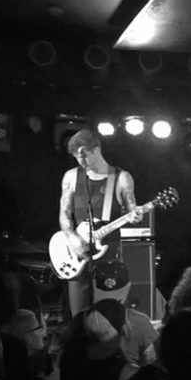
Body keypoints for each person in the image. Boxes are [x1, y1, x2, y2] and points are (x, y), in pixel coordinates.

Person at [59, 129, 141, 317]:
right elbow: (64, 214)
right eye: (77, 158)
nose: (81, 162)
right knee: (79, 316)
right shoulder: (71, 177)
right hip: (79, 257)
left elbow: (132, 211)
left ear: (96, 149)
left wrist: (135, 217)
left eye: (84, 156)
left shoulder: (122, 178)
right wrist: (72, 239)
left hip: (109, 258)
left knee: (107, 316)